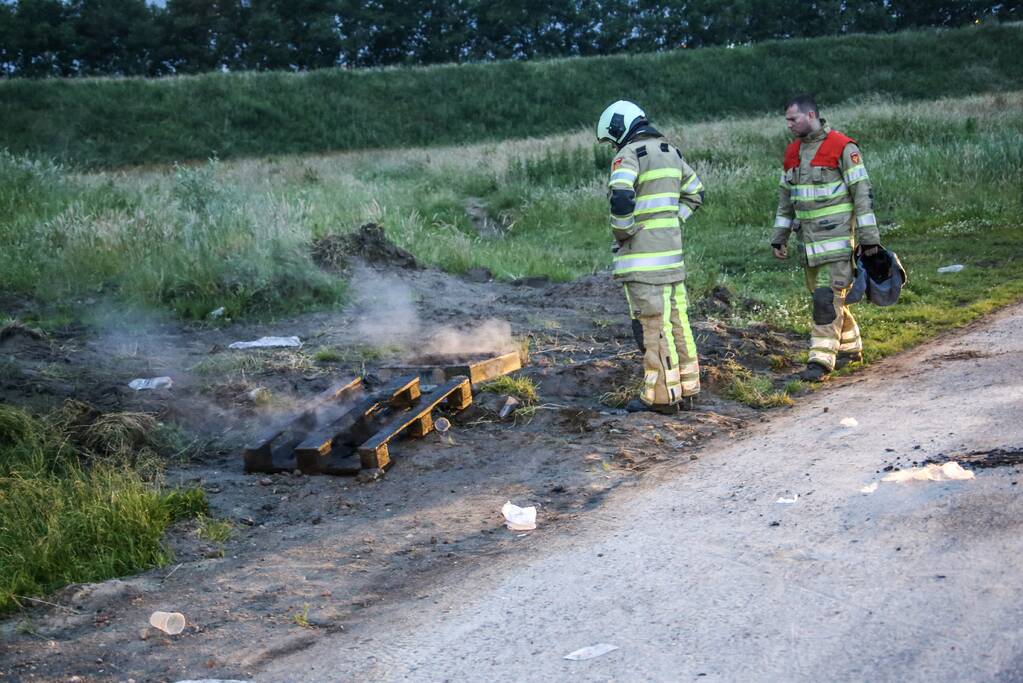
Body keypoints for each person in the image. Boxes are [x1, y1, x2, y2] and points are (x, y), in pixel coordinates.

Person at [596, 101, 704, 414]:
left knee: (651, 328)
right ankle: (688, 387)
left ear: (620, 127)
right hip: (671, 259)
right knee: (678, 322)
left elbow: (621, 195)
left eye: (613, 137)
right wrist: (675, 220)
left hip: (641, 262)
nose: (614, 145)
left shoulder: (628, 154)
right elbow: (696, 192)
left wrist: (624, 232)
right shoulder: (672, 152)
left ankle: (661, 397)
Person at [770, 94, 885, 381]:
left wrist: (869, 238)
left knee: (826, 298)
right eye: (787, 120)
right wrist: (779, 237)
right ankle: (850, 349)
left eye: (792, 119)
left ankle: (820, 361)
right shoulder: (792, 153)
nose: (789, 125)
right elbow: (785, 200)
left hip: (837, 243)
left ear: (811, 116)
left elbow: (863, 193)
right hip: (807, 246)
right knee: (832, 300)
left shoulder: (842, 147)